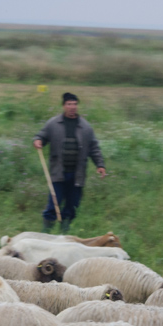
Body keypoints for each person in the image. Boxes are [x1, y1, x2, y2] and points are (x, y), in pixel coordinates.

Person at [33, 92, 106, 233]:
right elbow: (41, 135)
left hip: (77, 175)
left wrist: (100, 164)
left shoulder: (86, 127)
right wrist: (38, 141)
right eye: (69, 104)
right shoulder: (53, 124)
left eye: (75, 104)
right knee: (53, 204)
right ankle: (45, 235)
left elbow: (94, 147)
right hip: (58, 173)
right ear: (63, 106)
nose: (72, 107)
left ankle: (63, 234)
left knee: (72, 206)